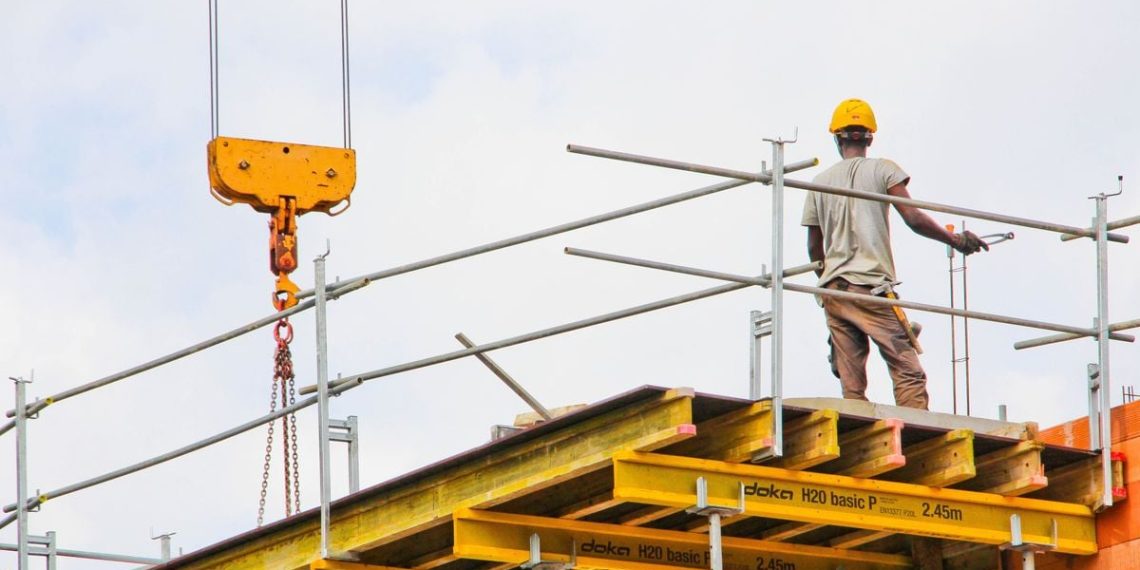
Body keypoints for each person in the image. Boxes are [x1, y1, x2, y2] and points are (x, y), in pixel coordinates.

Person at [801, 98, 988, 410]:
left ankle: (859, 429)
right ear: (870, 137)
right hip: (872, 287)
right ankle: (916, 431)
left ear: (837, 138)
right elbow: (913, 219)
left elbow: (813, 247)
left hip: (834, 291)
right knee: (907, 369)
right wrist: (955, 240)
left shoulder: (818, 183)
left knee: (852, 383)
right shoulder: (884, 170)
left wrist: (828, 284)